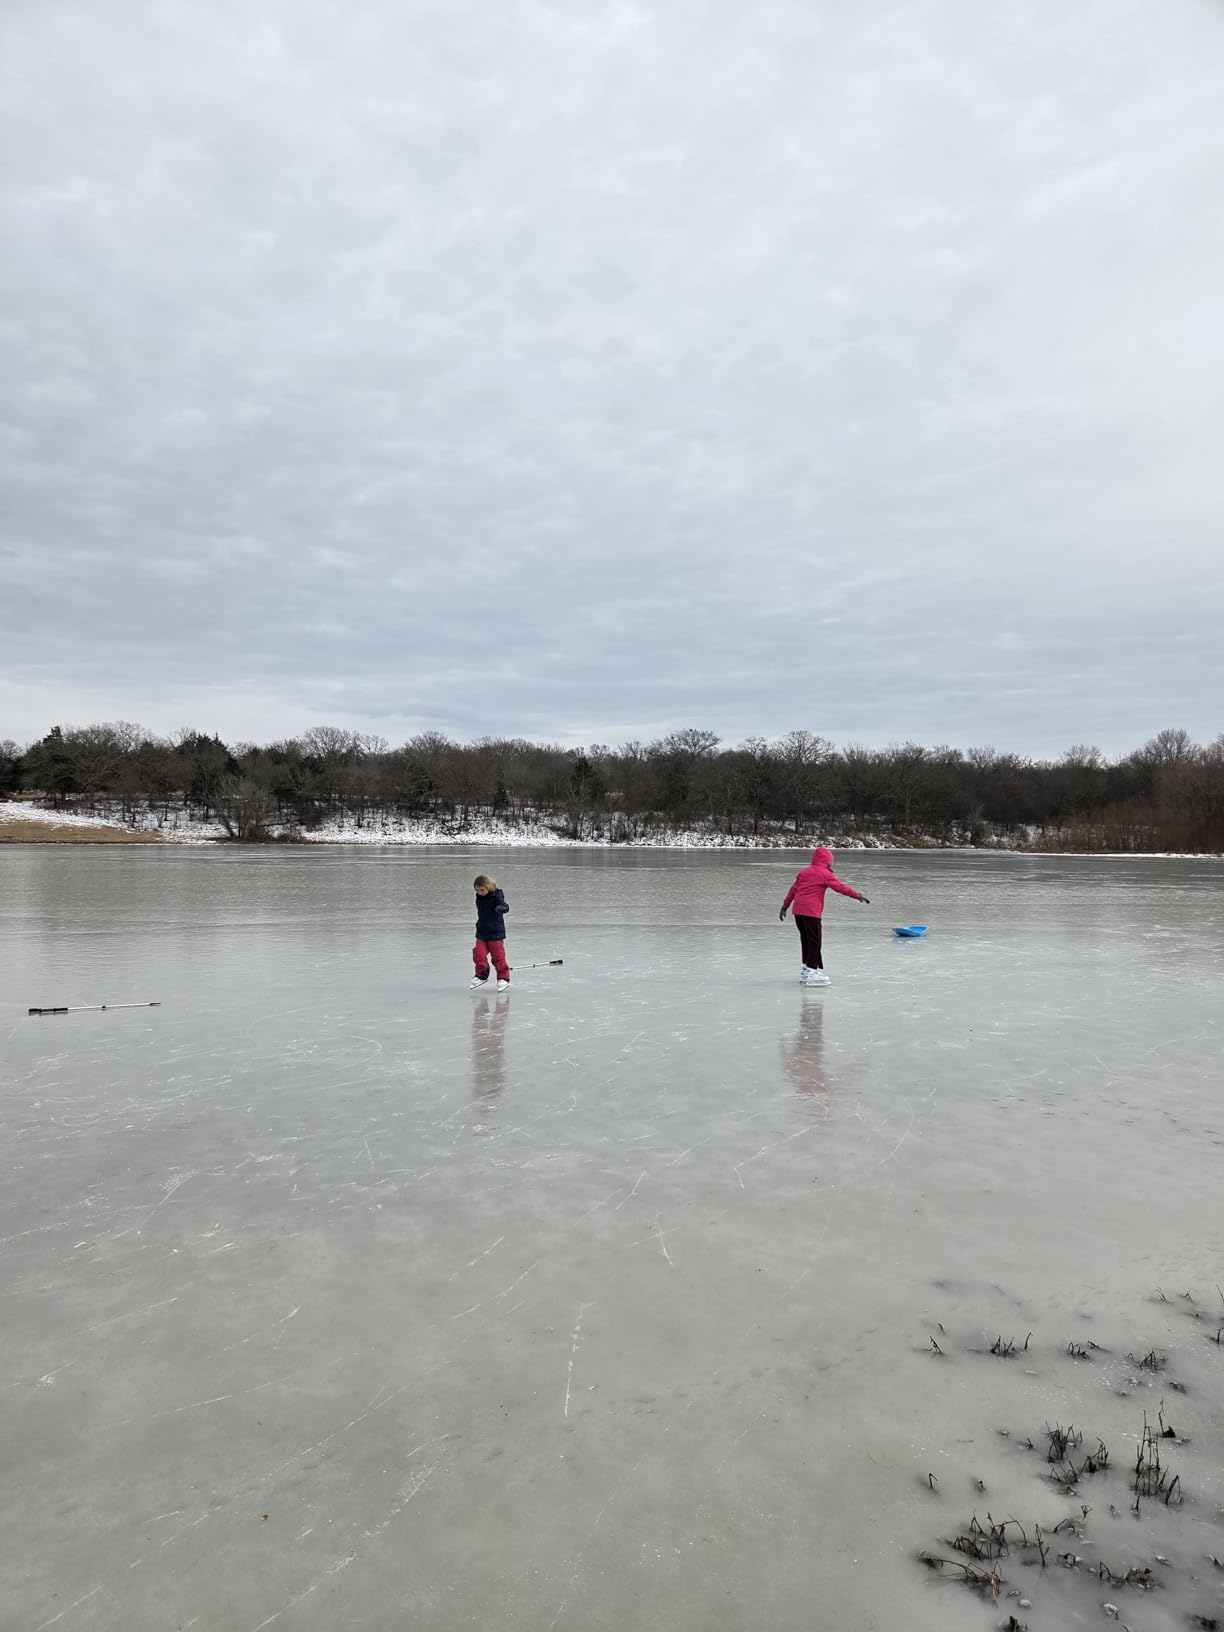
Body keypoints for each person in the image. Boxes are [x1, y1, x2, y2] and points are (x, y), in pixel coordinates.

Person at [779, 846, 869, 985]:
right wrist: (857, 896)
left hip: (798, 912)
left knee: (807, 940)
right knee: (815, 941)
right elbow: (841, 887)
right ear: (827, 861)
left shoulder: (804, 872)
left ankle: (806, 970)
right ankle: (812, 972)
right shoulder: (825, 874)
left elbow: (793, 890)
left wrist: (785, 906)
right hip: (811, 912)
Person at [470, 873, 511, 990]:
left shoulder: (497, 895)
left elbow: (503, 903)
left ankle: (503, 977)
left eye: (482, 890)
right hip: (482, 932)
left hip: (495, 933)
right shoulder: (479, 897)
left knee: (498, 957)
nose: (479, 892)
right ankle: (482, 974)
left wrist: (502, 907)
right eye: (477, 890)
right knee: (478, 954)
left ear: (488, 887)